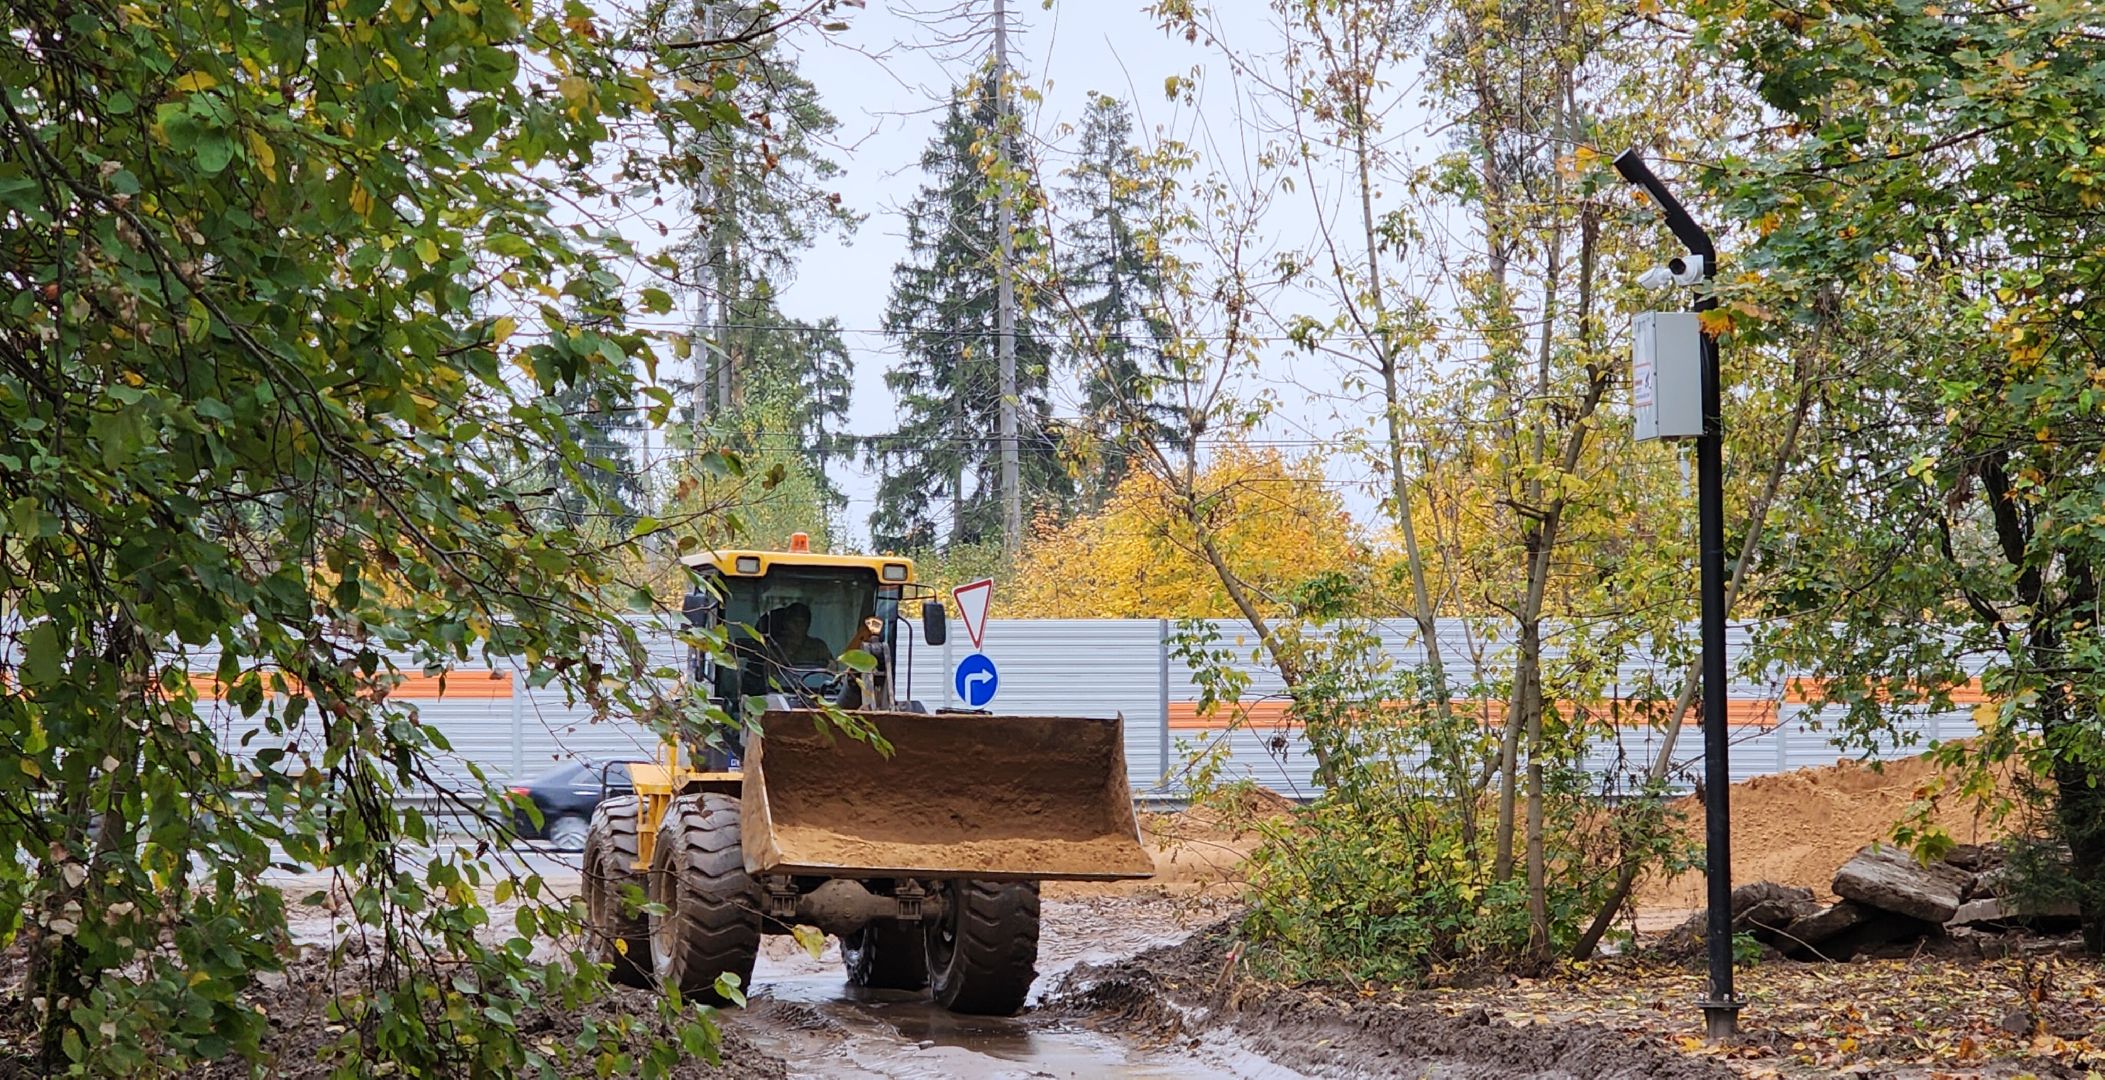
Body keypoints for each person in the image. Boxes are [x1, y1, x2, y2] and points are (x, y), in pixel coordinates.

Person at [766, 602, 836, 667]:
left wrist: (831, 666)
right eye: (795, 622)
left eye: (803, 622)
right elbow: (772, 672)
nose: (799, 626)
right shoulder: (775, 646)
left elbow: (831, 667)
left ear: (808, 624)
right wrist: (790, 649)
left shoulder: (818, 646)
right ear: (785, 623)